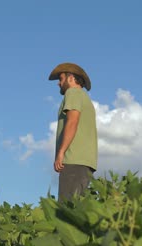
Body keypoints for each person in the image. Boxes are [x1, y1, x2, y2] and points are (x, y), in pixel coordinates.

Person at [48, 62, 98, 201]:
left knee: (67, 211)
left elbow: (72, 121)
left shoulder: (73, 93)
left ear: (71, 78)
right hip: (83, 162)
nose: (59, 83)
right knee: (77, 209)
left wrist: (61, 152)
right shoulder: (83, 96)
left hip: (73, 160)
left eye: (61, 79)